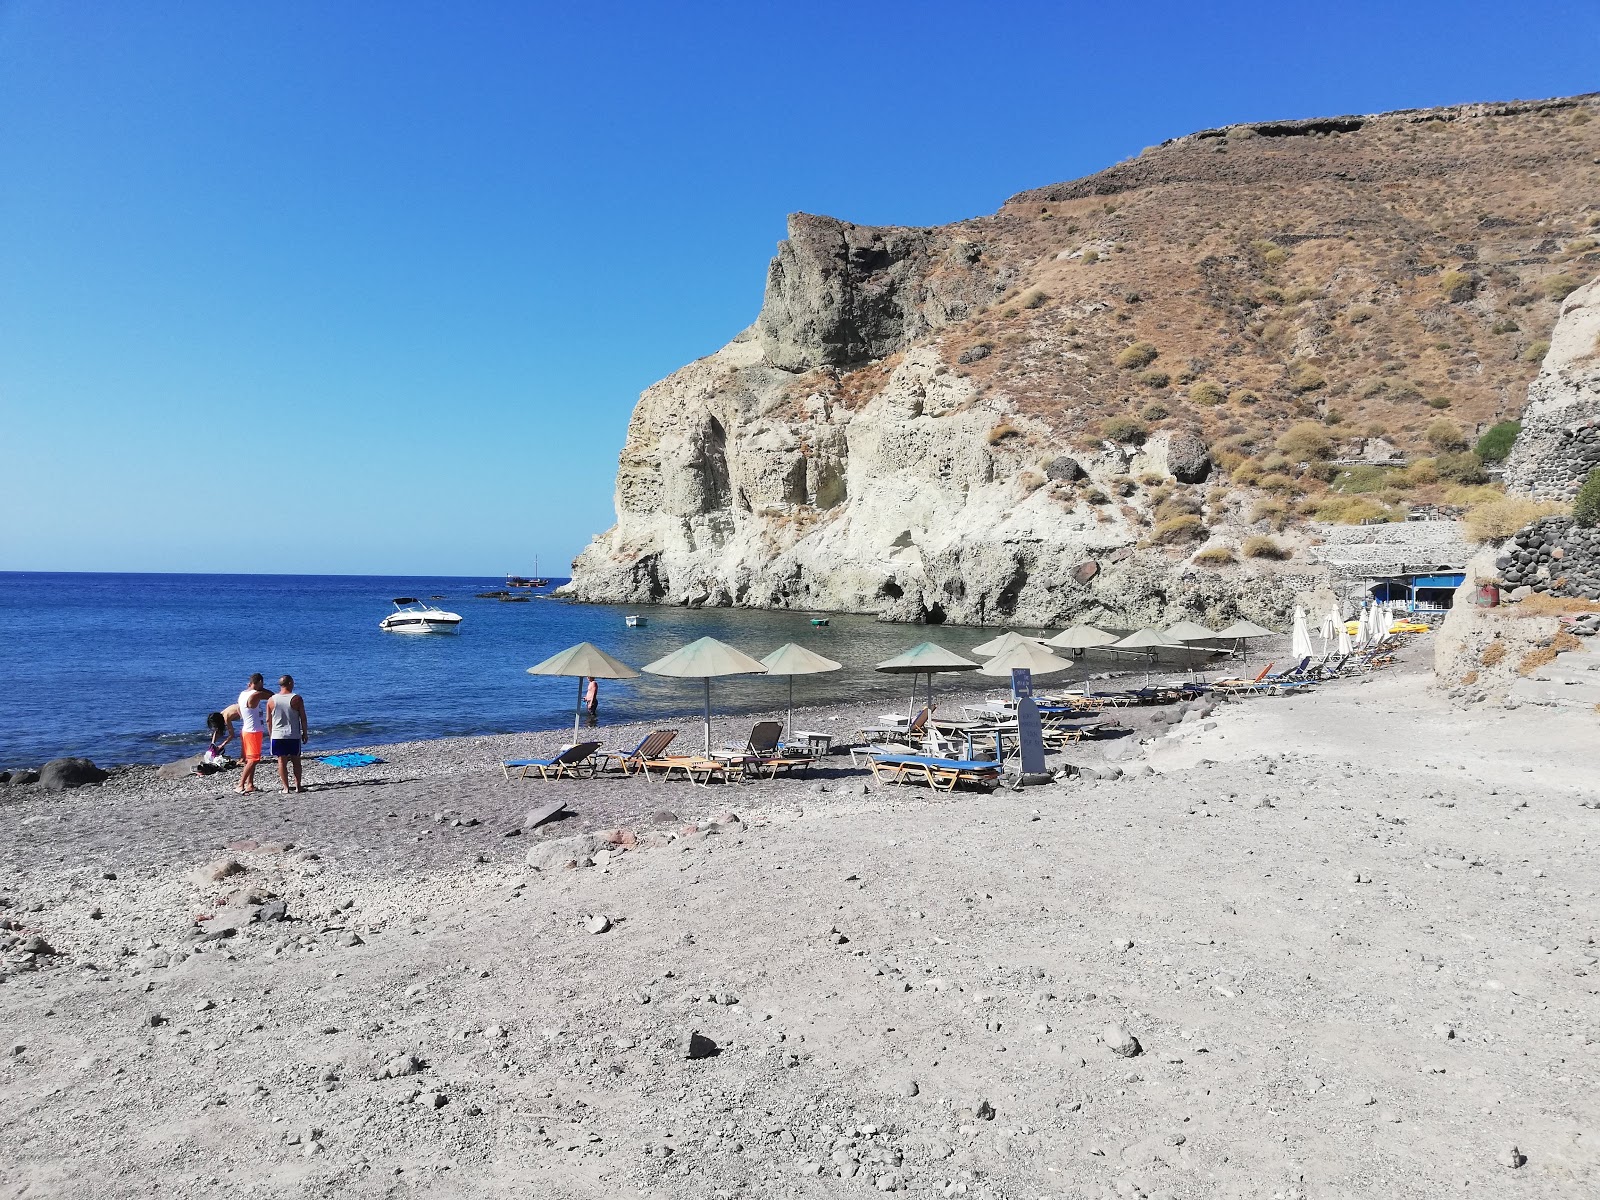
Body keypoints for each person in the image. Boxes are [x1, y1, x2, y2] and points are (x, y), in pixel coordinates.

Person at [266, 674, 309, 794]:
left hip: (277, 735)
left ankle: (285, 787)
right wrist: (305, 733)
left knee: (281, 761)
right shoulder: (296, 698)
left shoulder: (271, 700)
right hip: (292, 734)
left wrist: (271, 735)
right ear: (290, 683)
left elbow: (268, 720)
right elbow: (303, 718)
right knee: (296, 761)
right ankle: (298, 786)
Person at [236, 673, 272, 794]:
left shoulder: (242, 694)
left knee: (250, 759)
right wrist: (261, 688)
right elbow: (272, 696)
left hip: (246, 729)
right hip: (253, 731)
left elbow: (238, 708)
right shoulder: (256, 694)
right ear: (260, 682)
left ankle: (250, 784)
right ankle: (240, 785)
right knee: (254, 759)